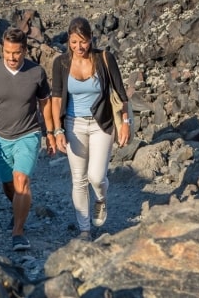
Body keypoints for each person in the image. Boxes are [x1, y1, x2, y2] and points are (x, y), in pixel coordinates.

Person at [0, 26, 55, 252]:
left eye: (16, 52)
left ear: (25, 50)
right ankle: (20, 207)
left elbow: (45, 104)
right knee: (9, 185)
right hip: (0, 137)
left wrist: (51, 133)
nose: (11, 57)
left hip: (28, 134)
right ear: (2, 50)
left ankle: (18, 232)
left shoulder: (36, 73)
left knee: (21, 180)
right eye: (7, 52)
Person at [50, 17, 131, 240]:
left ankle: (101, 199)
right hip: (73, 125)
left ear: (91, 39)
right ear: (68, 40)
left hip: (101, 123)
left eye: (83, 42)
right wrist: (57, 130)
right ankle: (84, 229)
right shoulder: (61, 63)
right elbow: (56, 98)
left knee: (96, 176)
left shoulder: (104, 58)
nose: (79, 47)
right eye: (74, 42)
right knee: (78, 179)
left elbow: (121, 95)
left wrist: (125, 123)